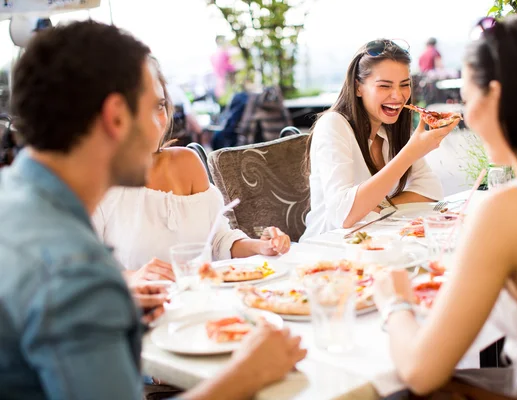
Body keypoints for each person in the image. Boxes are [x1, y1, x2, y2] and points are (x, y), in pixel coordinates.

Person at [0, 20, 305, 399]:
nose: (163, 123)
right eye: (152, 107)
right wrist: (249, 373)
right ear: (116, 117)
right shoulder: (73, 267)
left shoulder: (16, 198)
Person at [373, 16, 517, 400]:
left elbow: (419, 371)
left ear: (494, 97)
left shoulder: (509, 207)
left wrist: (392, 301)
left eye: (466, 97)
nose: (467, 115)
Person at [93, 57, 291, 283]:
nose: (155, 121)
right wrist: (133, 277)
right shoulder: (95, 183)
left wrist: (261, 246)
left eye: (158, 106)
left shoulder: (187, 162)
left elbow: (217, 241)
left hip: (205, 302)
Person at [301, 39, 458, 239]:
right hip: (328, 247)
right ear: (358, 87)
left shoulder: (392, 128)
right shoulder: (333, 125)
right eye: (384, 86)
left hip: (377, 241)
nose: (398, 95)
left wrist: (378, 207)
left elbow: (431, 191)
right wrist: (410, 154)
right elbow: (343, 215)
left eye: (404, 85)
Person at [210, 35, 236, 100]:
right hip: (225, 86)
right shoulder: (223, 53)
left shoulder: (213, 54)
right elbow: (230, 67)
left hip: (219, 87)